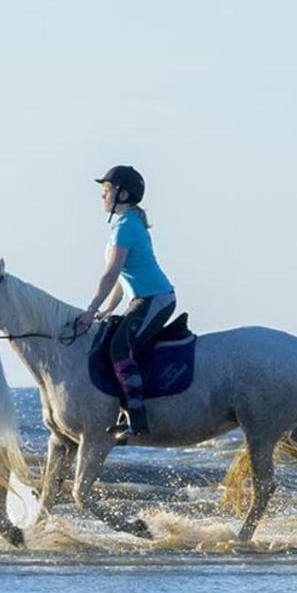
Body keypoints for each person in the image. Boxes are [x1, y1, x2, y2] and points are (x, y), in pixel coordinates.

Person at [74, 165, 175, 438]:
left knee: (120, 348)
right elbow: (122, 278)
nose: (102, 196)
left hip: (155, 298)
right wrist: (108, 309)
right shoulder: (125, 224)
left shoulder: (127, 226)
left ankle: (137, 416)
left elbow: (110, 274)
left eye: (106, 191)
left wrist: (90, 310)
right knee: (112, 339)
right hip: (141, 298)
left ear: (123, 194)